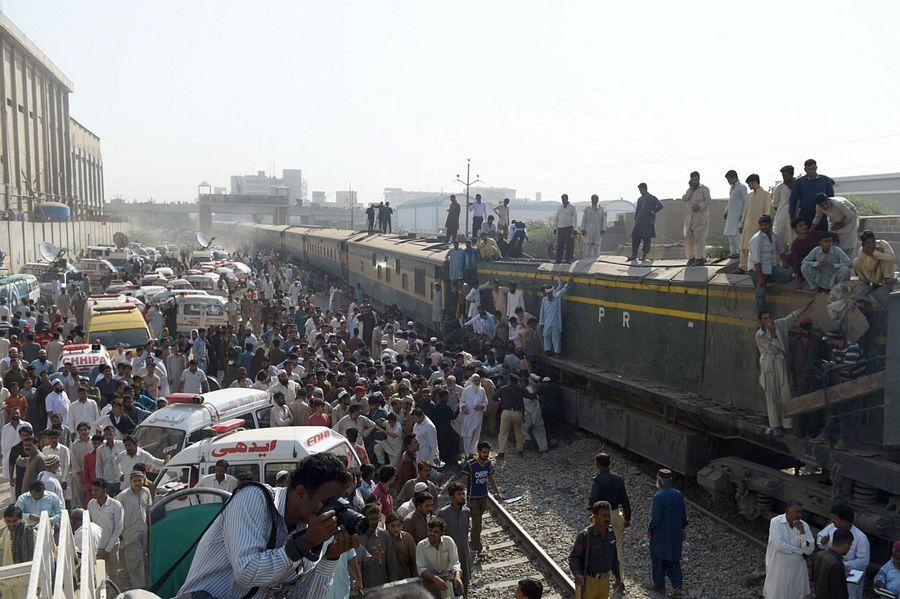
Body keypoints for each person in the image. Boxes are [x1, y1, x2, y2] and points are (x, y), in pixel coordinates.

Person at [178, 453, 354, 598]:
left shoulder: (305, 528)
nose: (331, 510)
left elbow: (304, 596)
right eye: (326, 502)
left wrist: (331, 557)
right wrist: (303, 544)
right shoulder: (254, 498)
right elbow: (246, 572)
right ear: (301, 492)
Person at [756, 310, 802, 435]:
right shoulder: (760, 335)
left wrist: (808, 304)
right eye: (765, 318)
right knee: (772, 397)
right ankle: (775, 425)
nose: (768, 320)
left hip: (781, 364)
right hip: (769, 368)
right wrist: (772, 333)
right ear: (761, 321)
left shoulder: (779, 324)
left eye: (769, 317)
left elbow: (791, 316)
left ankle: (787, 424)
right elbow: (771, 349)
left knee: (785, 394)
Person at [588, 453, 631, 578]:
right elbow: (625, 501)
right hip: (616, 514)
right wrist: (627, 519)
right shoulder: (619, 479)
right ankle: (620, 579)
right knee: (617, 547)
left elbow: (592, 500)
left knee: (599, 546)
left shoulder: (597, 480)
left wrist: (594, 514)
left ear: (598, 465)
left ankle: (601, 575)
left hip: (601, 517)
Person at [569, 501, 624, 598]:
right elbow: (574, 557)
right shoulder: (585, 536)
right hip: (589, 582)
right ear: (595, 516)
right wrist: (577, 574)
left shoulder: (611, 534)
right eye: (604, 516)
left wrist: (618, 577)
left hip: (605, 581)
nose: (607, 519)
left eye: (609, 515)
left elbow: (614, 557)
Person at [762, 500, 815, 599]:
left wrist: (803, 533)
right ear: (787, 511)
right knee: (777, 593)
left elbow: (809, 550)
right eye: (797, 512)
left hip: (797, 569)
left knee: (795, 593)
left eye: (801, 512)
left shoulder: (804, 526)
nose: (800, 515)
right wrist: (799, 551)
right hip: (779, 566)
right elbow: (780, 546)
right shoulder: (776, 522)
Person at [816, 504, 870, 599]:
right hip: (830, 575)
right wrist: (822, 541)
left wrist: (841, 565)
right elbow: (820, 539)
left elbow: (863, 562)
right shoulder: (831, 528)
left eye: (835, 519)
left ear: (844, 521)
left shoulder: (861, 538)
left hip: (849, 581)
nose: (832, 521)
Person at [647, 469, 687, 597]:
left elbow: (656, 518)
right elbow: (683, 517)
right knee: (674, 560)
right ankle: (678, 587)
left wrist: (650, 529)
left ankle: (658, 585)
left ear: (659, 481)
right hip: (675, 533)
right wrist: (682, 528)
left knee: (658, 558)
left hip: (660, 534)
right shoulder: (678, 494)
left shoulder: (658, 496)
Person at [462, 441, 502, 558]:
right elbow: (464, 481)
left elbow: (491, 478)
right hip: (473, 499)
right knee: (477, 523)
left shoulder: (488, 464)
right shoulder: (470, 465)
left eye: (487, 452)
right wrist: (461, 495)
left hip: (484, 498)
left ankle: (472, 541)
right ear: (478, 452)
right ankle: (477, 547)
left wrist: (497, 491)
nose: (486, 454)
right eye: (484, 452)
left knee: (477, 522)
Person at [748, 214, 793, 315]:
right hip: (756, 270)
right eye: (761, 225)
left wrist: (786, 263)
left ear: (770, 224)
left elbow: (781, 251)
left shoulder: (774, 236)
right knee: (761, 293)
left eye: (765, 224)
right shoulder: (757, 239)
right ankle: (762, 316)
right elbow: (756, 261)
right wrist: (760, 277)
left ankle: (767, 279)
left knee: (788, 275)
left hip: (770, 267)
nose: (763, 227)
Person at [116, 470, 151, 589]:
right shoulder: (123, 496)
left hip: (144, 531)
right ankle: (139, 587)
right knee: (134, 561)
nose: (137, 483)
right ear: (130, 482)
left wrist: (150, 529)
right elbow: (116, 514)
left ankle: (143, 583)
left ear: (143, 480)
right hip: (130, 533)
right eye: (135, 481)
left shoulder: (146, 492)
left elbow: (148, 511)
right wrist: (119, 533)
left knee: (143, 558)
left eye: (140, 480)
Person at [416, 517, 464, 599]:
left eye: (436, 532)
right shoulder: (421, 546)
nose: (432, 534)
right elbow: (421, 569)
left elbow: (455, 562)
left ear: (441, 533)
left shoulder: (448, 541)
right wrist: (435, 579)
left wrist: (457, 576)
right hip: (429, 583)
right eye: (430, 531)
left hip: (446, 582)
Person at [437, 482, 472, 593]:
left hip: (464, 552)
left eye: (463, 493)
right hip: (449, 555)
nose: (463, 496)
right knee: (452, 583)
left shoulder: (466, 511)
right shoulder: (443, 513)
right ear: (452, 497)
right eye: (459, 494)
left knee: (465, 579)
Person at [88, 479, 124, 583]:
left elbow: (118, 529)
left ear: (104, 490)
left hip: (111, 547)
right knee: (97, 576)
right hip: (96, 547)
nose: (93, 492)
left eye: (96, 490)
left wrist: (107, 550)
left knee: (113, 576)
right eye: (92, 490)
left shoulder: (116, 505)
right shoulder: (91, 504)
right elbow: (89, 524)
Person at [358, 503, 397, 587]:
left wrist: (393, 585)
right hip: (362, 589)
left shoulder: (385, 536)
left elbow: (391, 564)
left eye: (377, 519)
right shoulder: (356, 538)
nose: (375, 522)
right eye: (372, 519)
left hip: (381, 586)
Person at [789, 158, 834, 230]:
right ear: (805, 170)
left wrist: (832, 215)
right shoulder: (799, 183)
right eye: (809, 169)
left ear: (816, 168)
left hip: (822, 213)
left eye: (813, 168)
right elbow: (793, 201)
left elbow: (831, 198)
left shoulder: (825, 180)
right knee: (806, 237)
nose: (811, 171)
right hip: (805, 214)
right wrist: (792, 217)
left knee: (823, 236)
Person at [740, 174, 771, 271]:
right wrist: (741, 224)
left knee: (756, 247)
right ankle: (743, 267)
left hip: (759, 226)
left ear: (754, 182)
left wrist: (765, 225)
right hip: (747, 225)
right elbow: (745, 211)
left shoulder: (766, 194)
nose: (749, 186)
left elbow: (767, 210)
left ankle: (756, 268)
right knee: (744, 246)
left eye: (749, 183)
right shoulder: (749, 195)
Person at [812, 528, 854, 599]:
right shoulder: (836, 564)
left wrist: (842, 575)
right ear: (845, 545)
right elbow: (839, 593)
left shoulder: (820, 555)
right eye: (850, 545)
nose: (849, 548)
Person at [628, 183, 663, 261]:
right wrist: (636, 218)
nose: (640, 192)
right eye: (639, 190)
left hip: (648, 222)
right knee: (635, 237)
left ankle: (644, 255)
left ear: (645, 189)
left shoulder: (652, 198)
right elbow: (637, 210)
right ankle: (634, 254)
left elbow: (660, 206)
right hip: (639, 222)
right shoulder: (639, 199)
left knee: (646, 239)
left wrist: (654, 211)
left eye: (641, 190)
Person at [682, 171, 711, 265]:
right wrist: (690, 189)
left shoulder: (704, 189)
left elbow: (708, 201)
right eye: (693, 179)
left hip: (700, 218)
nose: (694, 181)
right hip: (689, 218)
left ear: (699, 178)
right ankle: (691, 257)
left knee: (699, 238)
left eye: (696, 179)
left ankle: (699, 258)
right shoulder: (689, 190)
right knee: (689, 237)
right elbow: (684, 199)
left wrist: (699, 206)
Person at [496, 373, 526, 458]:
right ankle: (520, 451)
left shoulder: (503, 388)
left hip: (506, 412)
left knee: (503, 432)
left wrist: (501, 399)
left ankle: (501, 452)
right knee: (518, 432)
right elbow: (530, 396)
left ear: (509, 381)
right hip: (517, 412)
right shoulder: (520, 389)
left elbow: (494, 398)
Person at [785, 218, 823, 286]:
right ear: (795, 229)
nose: (804, 227)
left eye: (804, 224)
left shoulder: (814, 234)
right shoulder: (795, 244)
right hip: (810, 266)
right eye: (800, 226)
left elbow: (832, 236)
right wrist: (797, 276)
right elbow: (795, 261)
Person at [539, 277, 570, 356]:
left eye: (550, 294)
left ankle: (557, 352)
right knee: (546, 335)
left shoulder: (557, 297)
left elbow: (563, 289)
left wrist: (568, 282)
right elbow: (542, 312)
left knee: (556, 337)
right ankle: (547, 350)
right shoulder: (544, 300)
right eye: (548, 294)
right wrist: (541, 323)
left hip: (555, 322)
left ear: (551, 292)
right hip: (547, 322)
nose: (549, 295)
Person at [460, 374, 487, 457]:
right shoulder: (466, 390)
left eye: (478, 380)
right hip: (468, 416)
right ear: (472, 381)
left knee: (476, 434)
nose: (477, 382)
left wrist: (482, 406)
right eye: (475, 380)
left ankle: (472, 451)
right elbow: (462, 402)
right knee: (467, 434)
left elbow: (485, 401)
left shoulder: (482, 390)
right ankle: (467, 453)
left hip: (478, 416)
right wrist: (463, 408)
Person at [770, 165, 796, 250]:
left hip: (796, 217)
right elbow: (775, 205)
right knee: (781, 241)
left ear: (792, 174)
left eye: (786, 175)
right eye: (783, 176)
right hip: (782, 218)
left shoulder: (798, 185)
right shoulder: (779, 188)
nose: (784, 178)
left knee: (795, 240)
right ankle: (781, 262)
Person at [386, 511, 418, 580]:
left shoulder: (407, 538)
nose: (396, 529)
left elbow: (414, 560)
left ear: (402, 525)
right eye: (392, 526)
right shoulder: (384, 539)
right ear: (387, 526)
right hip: (388, 579)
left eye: (398, 525)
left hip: (406, 578)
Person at [723, 170, 747, 259]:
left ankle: (739, 252)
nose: (728, 181)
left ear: (734, 177)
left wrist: (743, 214)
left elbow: (746, 201)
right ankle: (732, 252)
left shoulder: (742, 187)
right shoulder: (732, 188)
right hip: (731, 215)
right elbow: (730, 201)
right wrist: (726, 211)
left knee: (737, 234)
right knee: (730, 234)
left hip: (738, 215)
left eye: (729, 179)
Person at [581, 194, 606, 259]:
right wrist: (582, 229)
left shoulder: (601, 209)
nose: (594, 200)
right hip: (588, 230)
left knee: (596, 246)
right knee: (588, 245)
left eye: (595, 199)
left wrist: (603, 229)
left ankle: (595, 260)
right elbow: (584, 219)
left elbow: (603, 220)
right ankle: (586, 260)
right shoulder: (587, 209)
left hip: (598, 230)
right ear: (591, 200)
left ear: (597, 200)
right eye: (593, 199)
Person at [554, 194, 578, 263]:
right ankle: (558, 260)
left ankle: (568, 260)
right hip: (560, 228)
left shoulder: (572, 207)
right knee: (560, 245)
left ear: (567, 199)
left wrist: (575, 229)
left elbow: (575, 218)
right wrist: (555, 228)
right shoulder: (560, 207)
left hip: (569, 228)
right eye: (562, 199)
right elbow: (556, 218)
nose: (563, 201)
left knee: (568, 245)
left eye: (564, 199)